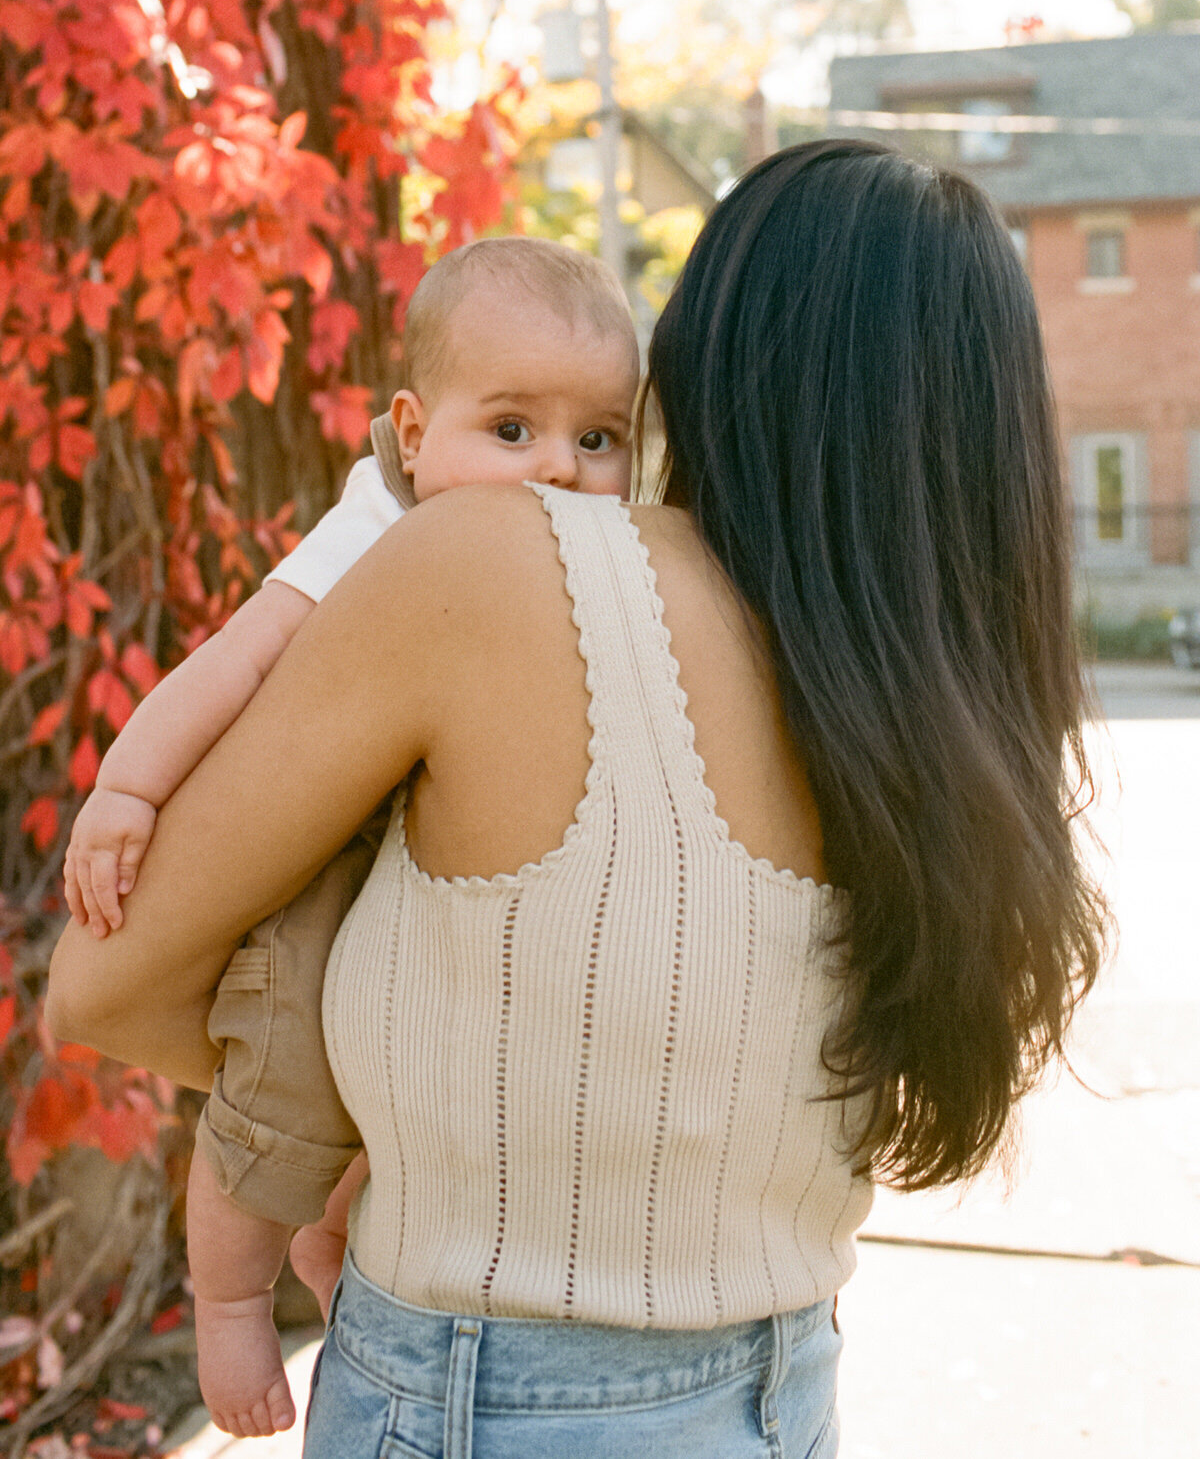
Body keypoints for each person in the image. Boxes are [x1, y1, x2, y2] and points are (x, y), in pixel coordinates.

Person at [48, 141, 1110, 1459]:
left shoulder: (496, 558)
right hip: (788, 1388)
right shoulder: (947, 720)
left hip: (490, 1396)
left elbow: (106, 980)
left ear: (712, 355)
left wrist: (393, 1105)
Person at [59, 235, 641, 1437]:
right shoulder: (382, 518)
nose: (560, 471)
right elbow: (241, 653)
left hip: (443, 870)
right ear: (416, 434)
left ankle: (336, 1271)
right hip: (320, 867)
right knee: (285, 1089)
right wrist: (127, 789)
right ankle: (226, 1303)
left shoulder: (586, 544)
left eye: (598, 438)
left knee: (398, 1111)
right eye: (513, 429)